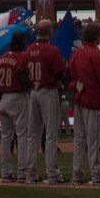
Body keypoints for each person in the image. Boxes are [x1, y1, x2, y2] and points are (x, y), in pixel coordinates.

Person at [69, 22, 100, 185]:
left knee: (79, 139)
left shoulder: (77, 53)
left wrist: (76, 85)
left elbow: (71, 76)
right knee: (93, 140)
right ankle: (96, 173)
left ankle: (77, 173)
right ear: (96, 37)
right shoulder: (96, 54)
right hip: (93, 100)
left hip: (79, 99)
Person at [27, 29, 68, 184]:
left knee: (33, 134)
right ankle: (52, 173)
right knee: (51, 134)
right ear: (49, 33)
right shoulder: (52, 50)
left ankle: (30, 173)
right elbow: (59, 72)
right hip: (48, 90)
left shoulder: (30, 49)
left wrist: (32, 83)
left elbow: (22, 70)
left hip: (34, 91)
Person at [0, 30, 33, 182]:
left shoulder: (2, 58)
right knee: (22, 136)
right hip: (18, 97)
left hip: (4, 98)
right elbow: (24, 77)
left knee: (5, 137)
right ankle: (22, 172)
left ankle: (5, 172)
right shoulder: (22, 57)